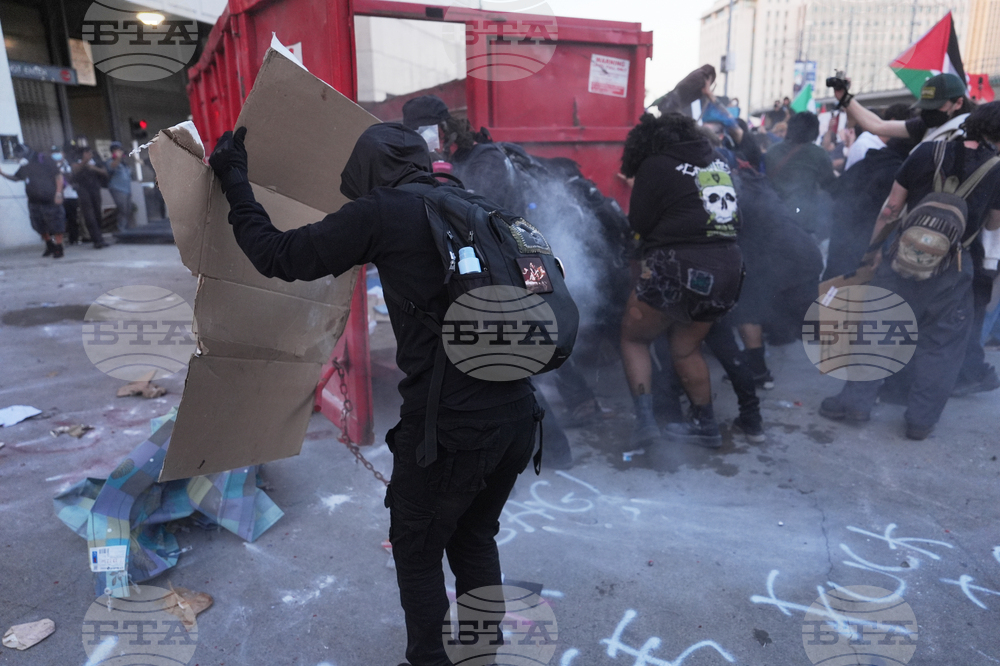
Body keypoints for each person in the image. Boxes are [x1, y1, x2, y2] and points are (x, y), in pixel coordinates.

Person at [208, 123, 544, 666]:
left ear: (368, 173)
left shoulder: (386, 211)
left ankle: (431, 659)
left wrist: (235, 181)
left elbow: (278, 256)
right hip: (518, 414)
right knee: (473, 537)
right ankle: (482, 653)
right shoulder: (475, 207)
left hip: (449, 427)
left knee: (417, 547)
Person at [819, 101, 1000, 440]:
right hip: (953, 269)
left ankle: (856, 403)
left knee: (879, 328)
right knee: (941, 347)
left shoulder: (926, 151)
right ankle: (920, 421)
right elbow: (993, 224)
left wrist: (874, 251)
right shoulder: (996, 170)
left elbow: (891, 208)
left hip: (900, 258)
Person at [619, 113, 743, 448]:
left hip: (676, 266)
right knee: (686, 348)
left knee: (634, 338)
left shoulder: (655, 164)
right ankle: (706, 426)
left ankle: (645, 423)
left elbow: (639, 224)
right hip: (727, 269)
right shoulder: (719, 163)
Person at [831, 73, 973, 147]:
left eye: (937, 106)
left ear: (959, 103)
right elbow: (878, 126)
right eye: (927, 106)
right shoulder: (924, 126)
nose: (930, 112)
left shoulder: (973, 132)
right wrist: (844, 97)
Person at [765, 111, 836, 239]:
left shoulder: (772, 151)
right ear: (814, 131)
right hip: (801, 222)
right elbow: (830, 186)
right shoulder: (819, 154)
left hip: (773, 216)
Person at [2, 145, 66, 258]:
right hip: (34, 200)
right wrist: (2, 173)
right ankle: (49, 244)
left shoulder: (45, 159)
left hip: (50, 197)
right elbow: (17, 178)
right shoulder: (25, 165)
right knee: (38, 225)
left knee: (56, 222)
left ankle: (59, 246)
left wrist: (59, 193)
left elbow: (58, 176)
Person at [72, 146, 109, 249]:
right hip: (83, 189)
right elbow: (74, 170)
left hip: (95, 188)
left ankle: (100, 236)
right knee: (89, 215)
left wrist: (93, 168)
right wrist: (84, 162)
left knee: (97, 213)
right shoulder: (77, 160)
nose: (89, 154)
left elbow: (104, 172)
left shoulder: (96, 160)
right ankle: (96, 239)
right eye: (86, 152)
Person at [52, 145, 80, 245]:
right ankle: (59, 240)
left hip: (70, 195)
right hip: (57, 197)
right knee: (58, 219)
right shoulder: (51, 166)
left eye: (58, 152)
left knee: (72, 218)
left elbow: (69, 178)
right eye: (54, 153)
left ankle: (74, 239)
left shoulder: (67, 165)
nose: (56, 155)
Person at [107, 141, 132, 232]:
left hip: (127, 189)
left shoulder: (124, 163)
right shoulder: (110, 161)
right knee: (122, 209)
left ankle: (127, 228)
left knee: (128, 209)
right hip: (117, 189)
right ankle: (121, 229)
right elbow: (111, 167)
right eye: (115, 149)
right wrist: (117, 158)